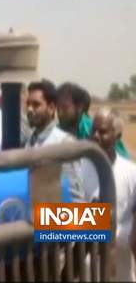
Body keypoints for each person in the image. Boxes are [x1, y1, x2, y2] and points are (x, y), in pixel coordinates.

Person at [80, 107, 136, 281]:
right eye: (93, 131)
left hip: (120, 272)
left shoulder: (131, 173)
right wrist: (97, 220)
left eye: (102, 132)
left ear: (117, 136)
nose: (95, 136)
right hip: (84, 271)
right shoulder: (77, 169)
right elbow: (58, 223)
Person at [25, 79, 84, 202]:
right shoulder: (30, 140)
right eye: (28, 104)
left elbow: (76, 198)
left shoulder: (64, 144)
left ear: (51, 108)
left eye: (36, 105)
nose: (30, 109)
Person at [57, 82, 131, 158]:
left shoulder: (94, 130)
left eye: (64, 108)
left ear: (79, 107)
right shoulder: (57, 130)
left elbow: (122, 158)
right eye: (58, 107)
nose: (60, 112)